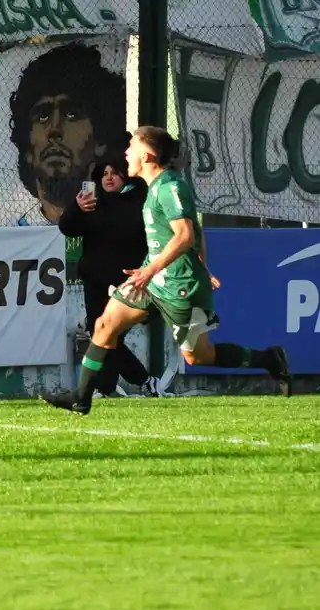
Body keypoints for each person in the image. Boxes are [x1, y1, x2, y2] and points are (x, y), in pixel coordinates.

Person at [47, 127, 292, 415]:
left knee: (197, 356)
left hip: (178, 284)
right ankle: (81, 397)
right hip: (150, 281)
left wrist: (157, 269)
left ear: (147, 156)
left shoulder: (170, 187)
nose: (126, 154)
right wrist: (174, 268)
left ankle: (268, 358)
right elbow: (193, 233)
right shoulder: (152, 188)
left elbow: (186, 234)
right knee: (103, 325)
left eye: (132, 149)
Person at [57, 142, 163, 398]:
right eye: (104, 173)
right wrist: (76, 208)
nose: (109, 178)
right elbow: (67, 227)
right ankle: (127, 383)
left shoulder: (141, 200)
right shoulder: (92, 202)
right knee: (101, 334)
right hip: (95, 278)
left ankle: (127, 383)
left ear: (125, 175)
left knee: (110, 335)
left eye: (114, 173)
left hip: (128, 280)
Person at [8, 43, 125, 225]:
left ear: (99, 140)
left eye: (71, 114)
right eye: (43, 116)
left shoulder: (116, 223)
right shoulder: (14, 233)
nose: (54, 130)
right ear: (28, 150)